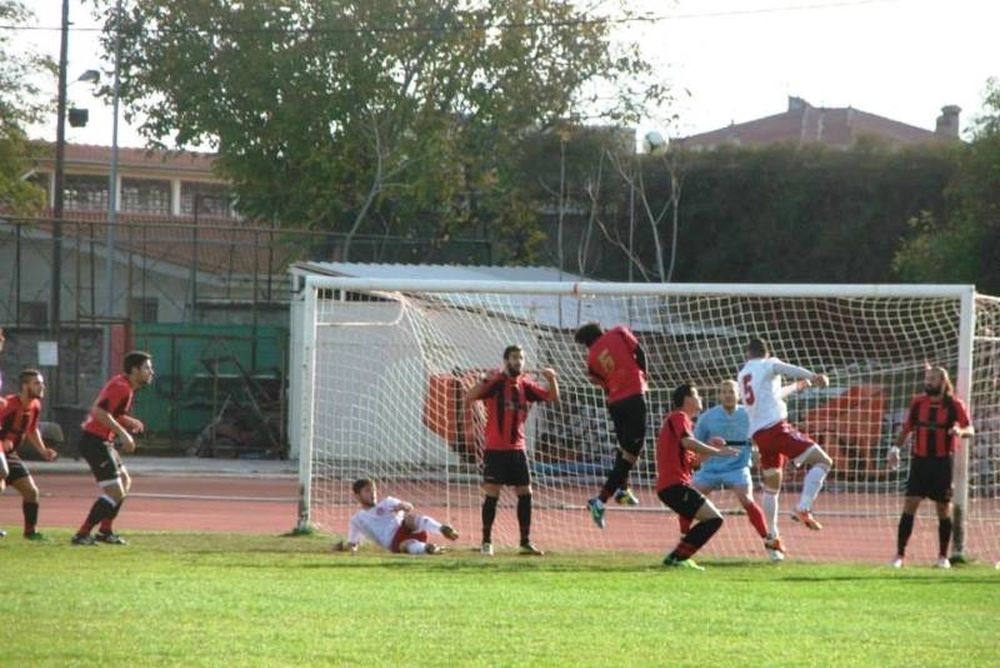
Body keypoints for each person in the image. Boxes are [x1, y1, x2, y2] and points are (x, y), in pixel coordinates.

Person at [690, 379, 809, 561]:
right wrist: (702, 455)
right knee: (689, 499)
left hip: (737, 468)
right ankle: (684, 540)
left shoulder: (750, 414)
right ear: (719, 395)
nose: (728, 395)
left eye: (731, 391)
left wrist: (756, 450)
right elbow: (695, 444)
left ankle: (771, 543)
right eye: (723, 392)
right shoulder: (707, 417)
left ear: (739, 394)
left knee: (747, 499)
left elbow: (762, 438)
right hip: (711, 469)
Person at [737, 337, 832, 560]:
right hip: (777, 430)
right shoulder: (769, 364)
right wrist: (813, 376)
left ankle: (772, 540)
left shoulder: (743, 374)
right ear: (767, 352)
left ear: (747, 354)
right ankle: (803, 507)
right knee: (823, 461)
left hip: (760, 436)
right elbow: (788, 368)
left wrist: (797, 386)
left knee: (772, 489)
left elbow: (773, 395)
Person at [466, 345, 558, 556]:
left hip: (518, 449)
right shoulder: (496, 383)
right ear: (506, 360)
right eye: (515, 358)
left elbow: (551, 397)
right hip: (496, 450)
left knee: (526, 494)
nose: (519, 361)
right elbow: (470, 396)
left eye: (522, 358)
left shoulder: (526, 384)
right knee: (492, 494)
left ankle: (525, 542)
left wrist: (552, 378)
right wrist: (483, 380)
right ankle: (486, 542)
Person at [888, 367, 974, 569]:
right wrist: (895, 448)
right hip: (920, 461)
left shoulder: (954, 405)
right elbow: (908, 427)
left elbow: (970, 428)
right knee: (910, 504)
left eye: (932, 379)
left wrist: (959, 431)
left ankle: (943, 557)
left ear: (943, 382)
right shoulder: (918, 402)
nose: (928, 382)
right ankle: (899, 555)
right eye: (927, 378)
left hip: (942, 462)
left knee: (943, 508)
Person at [71, 351, 154, 546]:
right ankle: (82, 534)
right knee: (114, 491)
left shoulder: (124, 385)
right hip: (94, 441)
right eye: (147, 368)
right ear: (134, 370)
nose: (151, 372)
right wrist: (124, 433)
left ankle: (105, 531)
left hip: (102, 441)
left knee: (124, 481)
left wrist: (127, 420)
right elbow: (99, 411)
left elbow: (108, 411)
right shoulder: (121, 387)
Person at [574, 322, 648, 529]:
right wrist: (644, 376)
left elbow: (599, 381)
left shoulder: (591, 360)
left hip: (615, 402)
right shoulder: (619, 331)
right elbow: (639, 352)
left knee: (626, 448)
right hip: (634, 395)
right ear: (601, 330)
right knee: (632, 453)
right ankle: (599, 500)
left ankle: (623, 490)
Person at [657, 384, 739, 570]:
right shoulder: (679, 417)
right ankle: (678, 558)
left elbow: (694, 462)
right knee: (714, 519)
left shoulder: (682, 422)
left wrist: (711, 448)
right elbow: (688, 442)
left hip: (672, 486)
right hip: (674, 485)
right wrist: (717, 451)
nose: (700, 398)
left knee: (712, 519)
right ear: (686, 399)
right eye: (697, 394)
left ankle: (677, 558)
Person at [0, 369, 59, 540]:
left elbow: (32, 430)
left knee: (31, 492)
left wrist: (43, 450)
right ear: (25, 386)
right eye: (37, 383)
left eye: (42, 383)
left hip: (11, 455)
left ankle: (30, 532)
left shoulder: (35, 406)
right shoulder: (9, 404)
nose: (42, 386)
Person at [335, 478, 459, 555]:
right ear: (357, 496)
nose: (372, 493)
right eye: (367, 491)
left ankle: (442, 529)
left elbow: (408, 506)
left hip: (405, 528)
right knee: (406, 545)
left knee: (410, 519)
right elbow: (353, 543)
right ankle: (428, 549)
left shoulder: (388, 502)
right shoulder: (358, 519)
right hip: (393, 541)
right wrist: (349, 550)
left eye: (373, 490)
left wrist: (404, 506)